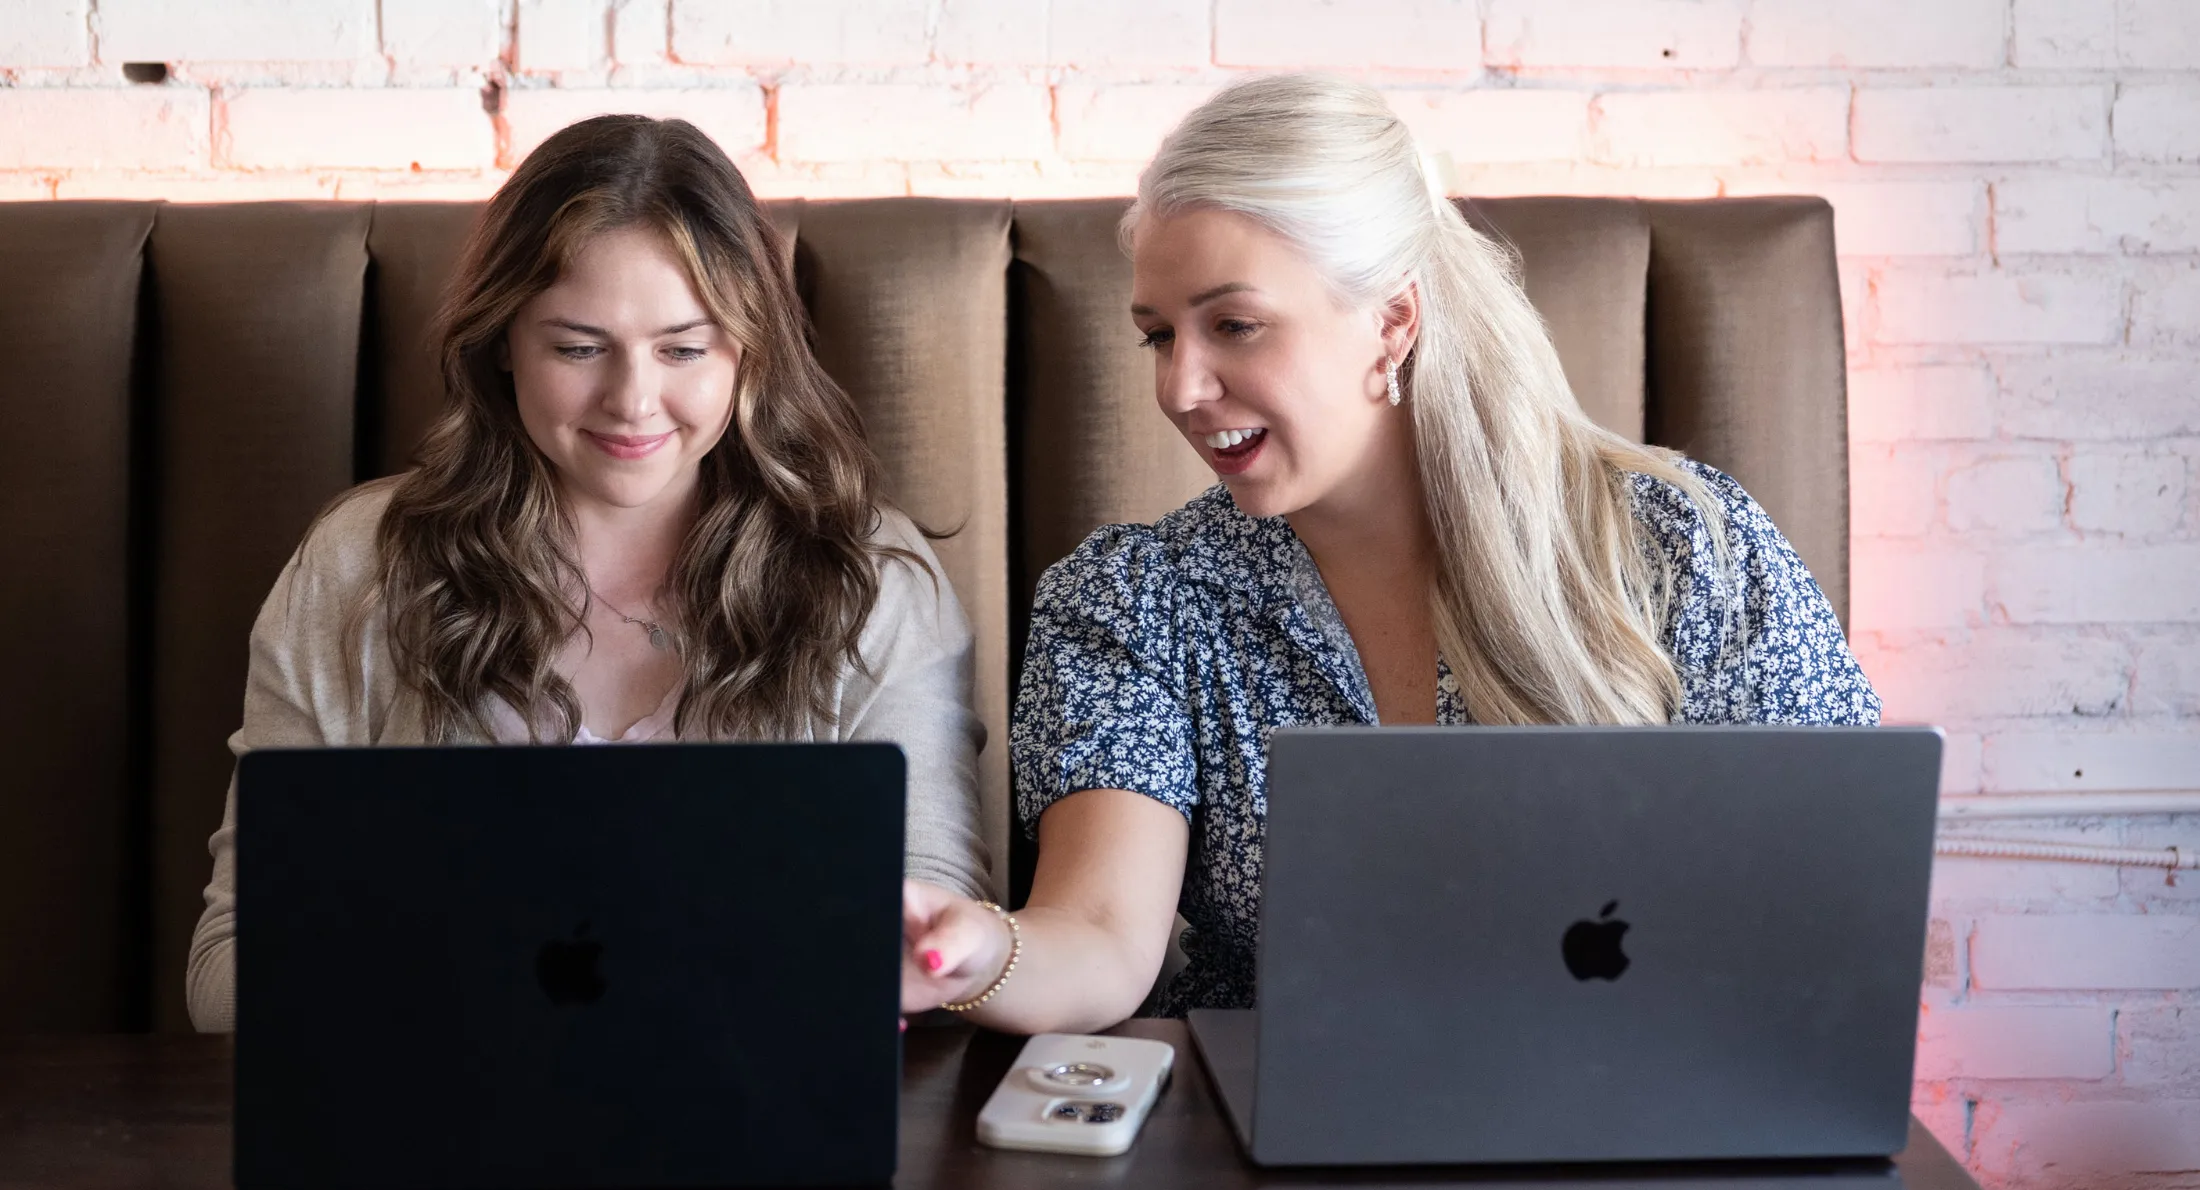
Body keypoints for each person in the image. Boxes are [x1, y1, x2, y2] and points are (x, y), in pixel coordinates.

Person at [898, 73, 1879, 1031]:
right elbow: (1103, 937)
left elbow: (1834, 889)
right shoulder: (1136, 597)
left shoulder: (1682, 547)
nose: (1182, 385)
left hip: (1645, 1127)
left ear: (1393, 318)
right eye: (1158, 335)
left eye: (1233, 325)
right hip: (1276, 1147)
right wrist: (984, 953)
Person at [187, 116, 990, 1033]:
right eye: (577, 347)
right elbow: (227, 972)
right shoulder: (358, 566)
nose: (633, 400)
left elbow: (940, 949)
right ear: (501, 343)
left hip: (753, 1129)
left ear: (750, 351)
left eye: (684, 349)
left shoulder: (871, 582)